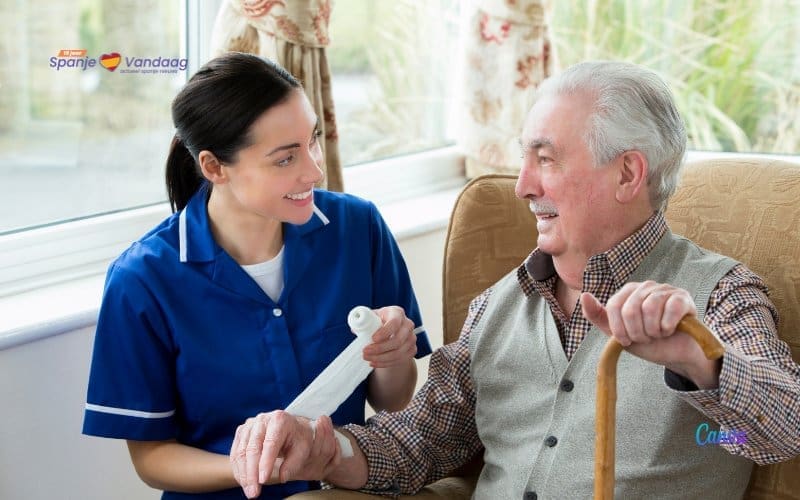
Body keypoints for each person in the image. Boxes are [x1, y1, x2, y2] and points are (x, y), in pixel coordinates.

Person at [229, 60, 800, 499]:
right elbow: (419, 441)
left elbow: (782, 430)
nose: (523, 185)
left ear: (628, 173)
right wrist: (324, 450)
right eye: (524, 159)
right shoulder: (495, 307)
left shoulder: (720, 294)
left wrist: (700, 360)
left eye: (546, 159)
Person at [82, 52, 433, 500]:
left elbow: (392, 400)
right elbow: (152, 459)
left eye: (313, 141)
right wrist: (260, 467)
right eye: (285, 159)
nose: (315, 170)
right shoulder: (142, 280)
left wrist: (393, 354)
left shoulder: (358, 229)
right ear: (214, 167)